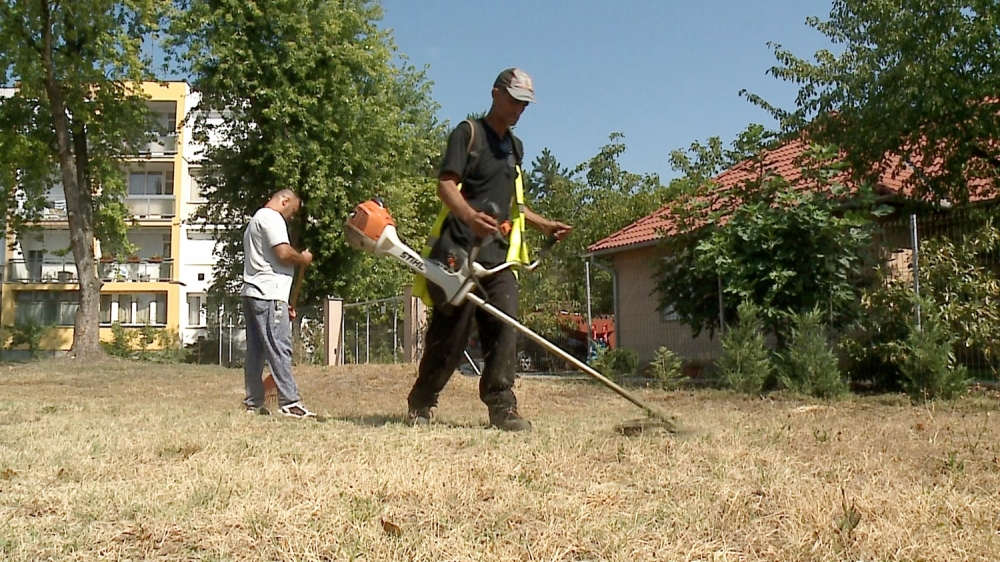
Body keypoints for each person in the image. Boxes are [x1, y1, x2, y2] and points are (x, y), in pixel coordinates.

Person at [408, 68, 572, 431]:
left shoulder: (515, 148)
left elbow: (515, 203)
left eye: (525, 104)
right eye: (514, 100)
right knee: (449, 338)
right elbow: (446, 185)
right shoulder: (468, 134)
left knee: (504, 327)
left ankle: (502, 406)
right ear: (496, 93)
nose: (519, 109)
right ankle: (421, 402)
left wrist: (544, 224)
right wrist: (468, 215)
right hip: (458, 254)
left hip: (498, 260)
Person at [241, 189, 316, 418]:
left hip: (254, 292)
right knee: (279, 347)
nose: (290, 217)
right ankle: (290, 402)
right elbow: (283, 253)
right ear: (284, 201)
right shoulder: (272, 218)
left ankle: (253, 403)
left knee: (256, 351)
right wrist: (302, 258)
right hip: (269, 293)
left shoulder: (256, 219)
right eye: (291, 211)